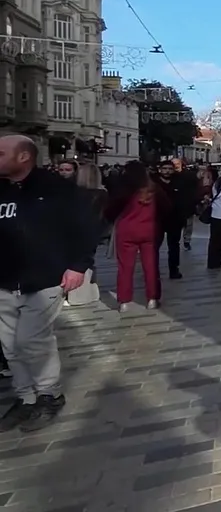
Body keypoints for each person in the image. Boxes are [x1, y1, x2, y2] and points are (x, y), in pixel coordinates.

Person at [0, 134, 96, 433]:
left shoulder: (57, 189)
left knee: (32, 340)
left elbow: (84, 229)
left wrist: (78, 266)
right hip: (4, 280)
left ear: (23, 156)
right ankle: (26, 398)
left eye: (1, 153)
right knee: (9, 346)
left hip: (44, 279)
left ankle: (49, 395)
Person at [105, 161, 171, 311]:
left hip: (126, 230)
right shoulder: (154, 189)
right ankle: (152, 299)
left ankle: (124, 301)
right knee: (150, 265)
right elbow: (167, 207)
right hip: (149, 229)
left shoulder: (123, 190)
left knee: (125, 267)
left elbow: (110, 210)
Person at [66, 164, 109, 307]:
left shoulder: (76, 194)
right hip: (96, 232)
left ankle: (78, 294)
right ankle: (89, 292)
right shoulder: (103, 194)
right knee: (88, 259)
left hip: (77, 231)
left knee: (77, 261)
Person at [154, 158, 196, 279]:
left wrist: (184, 214)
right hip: (158, 219)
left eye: (170, 169)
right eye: (165, 169)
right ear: (160, 170)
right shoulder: (154, 183)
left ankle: (174, 269)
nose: (167, 171)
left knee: (174, 246)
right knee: (154, 246)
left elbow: (186, 198)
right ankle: (153, 270)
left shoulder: (179, 181)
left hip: (175, 219)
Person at [173, 158, 197, 250]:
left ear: (181, 164)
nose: (175, 166)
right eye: (174, 164)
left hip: (188, 204)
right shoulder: (171, 176)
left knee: (188, 225)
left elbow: (195, 188)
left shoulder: (189, 175)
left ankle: (187, 240)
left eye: (177, 164)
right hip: (175, 206)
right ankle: (176, 240)